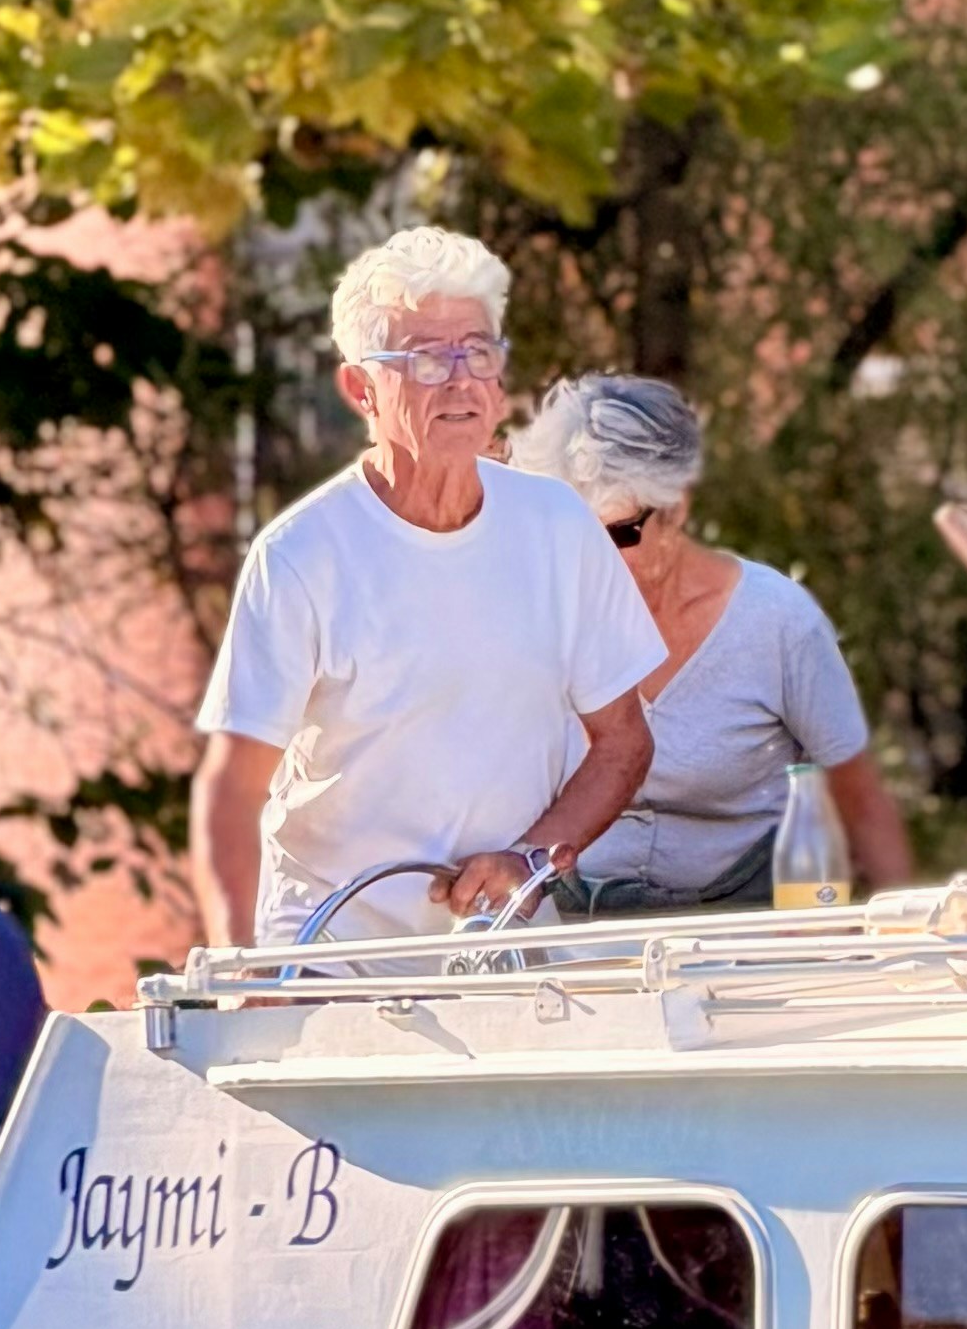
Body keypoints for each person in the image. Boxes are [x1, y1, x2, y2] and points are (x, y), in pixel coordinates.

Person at [190, 238, 667, 941]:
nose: (460, 380)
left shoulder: (558, 526)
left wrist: (529, 860)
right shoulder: (300, 557)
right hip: (333, 954)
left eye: (477, 351)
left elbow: (623, 742)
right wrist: (242, 975)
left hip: (502, 945)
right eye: (425, 358)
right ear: (360, 391)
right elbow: (231, 791)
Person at [505, 375, 914, 912]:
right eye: (570, 537)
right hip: (580, 936)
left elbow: (859, 800)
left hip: (743, 938)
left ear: (675, 509)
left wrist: (904, 951)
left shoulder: (778, 622)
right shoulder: (538, 622)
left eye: (615, 534)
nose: (590, 561)